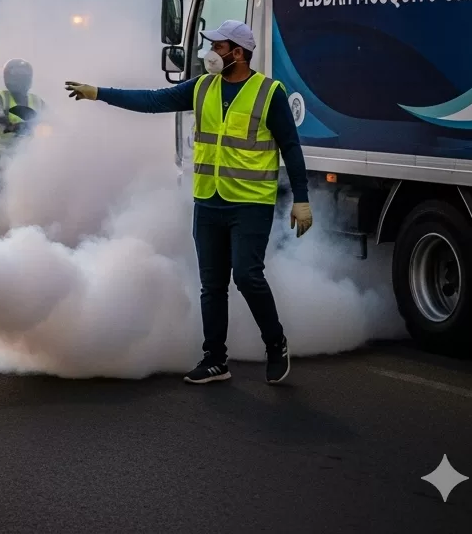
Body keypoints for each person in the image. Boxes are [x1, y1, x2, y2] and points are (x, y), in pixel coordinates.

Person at [65, 20, 313, 387]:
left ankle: (275, 343)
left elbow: (290, 147)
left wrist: (301, 199)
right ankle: (215, 359)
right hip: (209, 201)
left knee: (247, 275)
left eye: (218, 47)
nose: (211, 53)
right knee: (212, 285)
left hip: (251, 203)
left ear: (238, 53)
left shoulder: (268, 92)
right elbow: (153, 101)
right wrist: (99, 93)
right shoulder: (202, 86)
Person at [0, 58, 44, 179]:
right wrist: (8, 124)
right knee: (4, 172)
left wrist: (66, 127)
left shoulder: (36, 100)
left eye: (24, 77)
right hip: (0, 149)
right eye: (18, 77)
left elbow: (51, 115)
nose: (21, 81)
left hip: (29, 150)